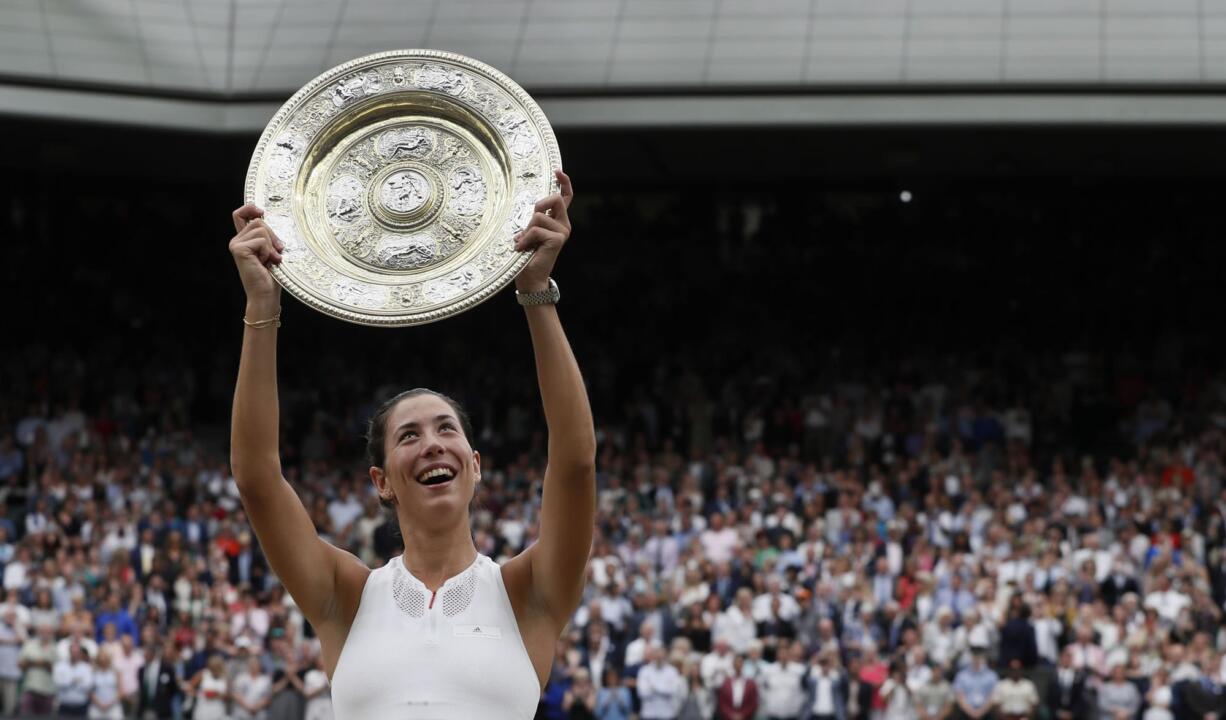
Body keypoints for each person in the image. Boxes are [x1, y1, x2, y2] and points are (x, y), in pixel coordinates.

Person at [227, 170, 594, 719]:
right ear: (381, 483)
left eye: (448, 429)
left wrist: (536, 294)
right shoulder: (345, 596)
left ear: (475, 466)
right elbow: (257, 478)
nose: (432, 445)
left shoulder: (528, 593)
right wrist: (262, 305)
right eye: (409, 436)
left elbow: (575, 462)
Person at [53, 642, 93, 716]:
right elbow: (58, 683)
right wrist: (76, 681)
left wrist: (66, 681)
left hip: (81, 706)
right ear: (69, 652)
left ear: (80, 653)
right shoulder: (60, 666)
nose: (74, 654)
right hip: (64, 706)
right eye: (73, 652)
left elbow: (87, 685)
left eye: (77, 652)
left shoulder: (86, 667)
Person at [186, 653, 229, 720]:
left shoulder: (224, 677)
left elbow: (227, 694)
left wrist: (216, 694)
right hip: (203, 709)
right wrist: (200, 694)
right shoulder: (202, 674)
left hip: (218, 709)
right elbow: (189, 687)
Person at [716, 654, 758, 720]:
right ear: (733, 665)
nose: (738, 665)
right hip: (729, 717)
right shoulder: (726, 683)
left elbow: (753, 703)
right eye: (736, 662)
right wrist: (731, 715)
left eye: (740, 662)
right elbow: (722, 703)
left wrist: (743, 715)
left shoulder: (751, 684)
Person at [88, 648, 124, 720]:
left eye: (105, 659)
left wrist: (109, 704)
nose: (103, 661)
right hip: (96, 708)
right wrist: (99, 704)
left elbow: (120, 691)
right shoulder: (93, 672)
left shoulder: (116, 672)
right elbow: (90, 691)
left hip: (113, 708)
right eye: (101, 659)